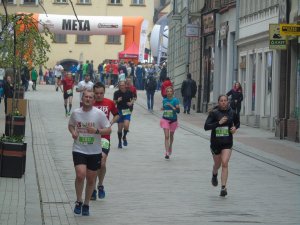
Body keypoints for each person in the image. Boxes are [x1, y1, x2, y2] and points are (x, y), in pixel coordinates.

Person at [68, 90, 111, 216]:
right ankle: (78, 201)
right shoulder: (76, 113)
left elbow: (109, 130)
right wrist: (73, 132)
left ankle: (86, 204)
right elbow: (70, 125)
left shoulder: (99, 114)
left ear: (93, 100)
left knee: (91, 179)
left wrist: (97, 131)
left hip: (94, 151)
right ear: (82, 98)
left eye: (90, 97)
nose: (88, 99)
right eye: (86, 97)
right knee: (80, 175)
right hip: (79, 149)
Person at [204, 95, 240, 197]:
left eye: (225, 100)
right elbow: (206, 127)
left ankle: (223, 187)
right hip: (215, 143)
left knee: (225, 163)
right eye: (221, 101)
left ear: (228, 102)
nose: (224, 102)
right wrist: (218, 123)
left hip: (227, 142)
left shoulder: (232, 112)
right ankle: (214, 174)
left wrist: (234, 128)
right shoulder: (214, 113)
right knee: (217, 164)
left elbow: (237, 123)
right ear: (218, 102)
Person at [90, 82, 119, 200]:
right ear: (93, 92)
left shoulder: (109, 103)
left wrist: (111, 123)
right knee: (93, 165)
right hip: (91, 137)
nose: (98, 95)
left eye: (101, 93)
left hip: (104, 136)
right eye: (96, 93)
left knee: (101, 162)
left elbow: (117, 115)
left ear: (104, 92)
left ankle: (100, 184)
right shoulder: (89, 102)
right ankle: (92, 189)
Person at [160, 86, 180, 159]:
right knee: (166, 136)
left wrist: (171, 106)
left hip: (173, 120)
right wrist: (162, 108)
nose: (169, 93)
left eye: (170, 91)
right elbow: (164, 108)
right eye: (167, 91)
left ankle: (170, 146)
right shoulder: (164, 100)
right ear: (166, 92)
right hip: (165, 119)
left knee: (171, 136)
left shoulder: (175, 100)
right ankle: (167, 152)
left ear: (172, 92)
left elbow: (178, 111)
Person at [113, 81, 134, 149]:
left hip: (127, 111)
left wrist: (131, 103)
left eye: (123, 85)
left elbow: (133, 99)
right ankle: (119, 142)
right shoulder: (116, 93)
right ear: (119, 86)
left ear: (125, 85)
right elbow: (113, 103)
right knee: (119, 129)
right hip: (119, 111)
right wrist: (117, 100)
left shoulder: (129, 92)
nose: (121, 86)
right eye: (120, 85)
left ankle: (124, 136)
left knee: (126, 125)